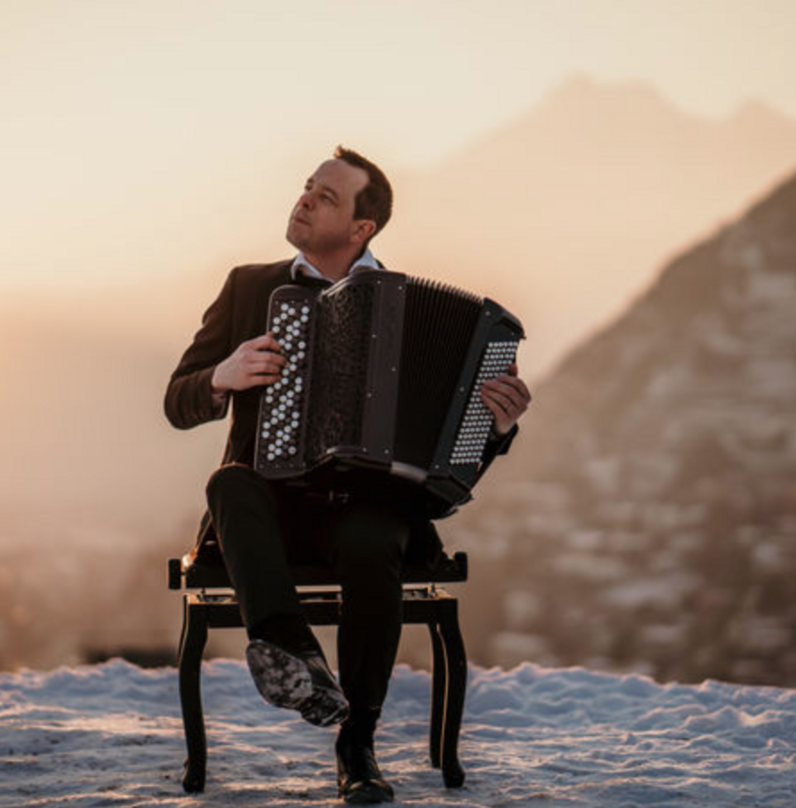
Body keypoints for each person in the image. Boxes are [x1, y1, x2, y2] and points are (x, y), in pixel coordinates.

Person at [164, 146, 530, 804]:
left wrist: (497, 426)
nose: (304, 199)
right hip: (268, 517)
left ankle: (356, 744)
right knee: (228, 485)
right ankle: (291, 648)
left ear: (363, 229)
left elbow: (455, 450)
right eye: (307, 188)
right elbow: (176, 401)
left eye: (326, 197)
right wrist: (221, 377)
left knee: (370, 535)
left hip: (368, 513)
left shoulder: (404, 305)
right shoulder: (248, 287)